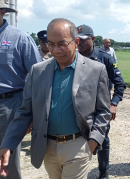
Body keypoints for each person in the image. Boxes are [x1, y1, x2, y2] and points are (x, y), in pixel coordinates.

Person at [0, 18, 110, 179]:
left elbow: (103, 111)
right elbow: (24, 112)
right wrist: (7, 146)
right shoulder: (37, 71)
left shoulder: (96, 70)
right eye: (51, 44)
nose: (56, 50)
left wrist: (94, 140)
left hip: (78, 145)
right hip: (48, 147)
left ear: (76, 41)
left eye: (62, 44)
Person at [0, 0, 42, 179]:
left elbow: (38, 77)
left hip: (9, 104)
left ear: (2, 12)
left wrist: (34, 113)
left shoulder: (20, 38)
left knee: (7, 154)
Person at [77, 24, 126, 179]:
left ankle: (103, 173)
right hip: (78, 108)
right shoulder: (72, 58)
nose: (80, 43)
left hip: (100, 108)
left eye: (84, 39)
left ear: (93, 39)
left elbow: (120, 83)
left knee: (102, 141)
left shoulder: (105, 58)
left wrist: (114, 104)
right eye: (77, 40)